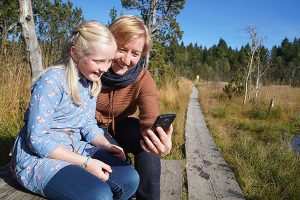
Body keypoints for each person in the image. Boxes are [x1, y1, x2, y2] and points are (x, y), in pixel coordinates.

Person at [10, 21, 139, 200]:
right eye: (98, 61)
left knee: (129, 178)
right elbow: (36, 139)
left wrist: (105, 145)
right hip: (39, 158)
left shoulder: (91, 83)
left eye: (109, 60)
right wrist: (85, 162)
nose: (104, 68)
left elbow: (87, 125)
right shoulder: (51, 81)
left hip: (75, 147)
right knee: (99, 195)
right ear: (75, 53)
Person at [96, 15, 173, 200]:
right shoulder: (91, 66)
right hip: (90, 128)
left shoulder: (143, 79)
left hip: (122, 125)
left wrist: (159, 142)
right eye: (121, 49)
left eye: (135, 54)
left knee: (147, 142)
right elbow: (56, 102)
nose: (126, 59)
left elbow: (149, 121)